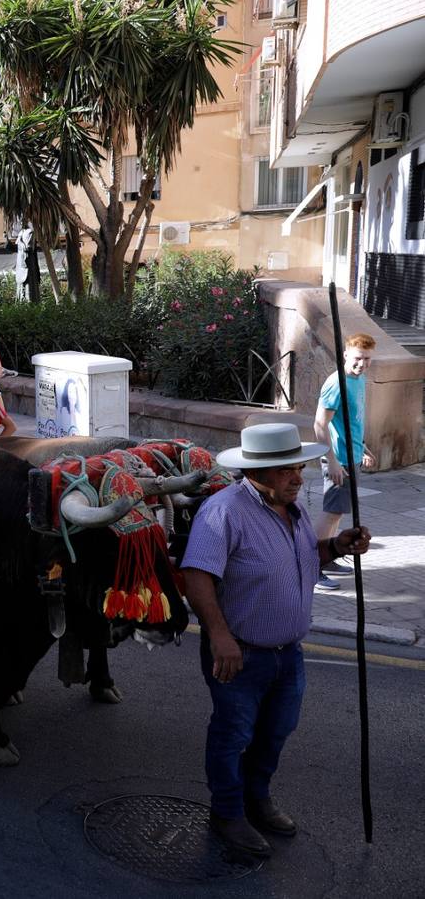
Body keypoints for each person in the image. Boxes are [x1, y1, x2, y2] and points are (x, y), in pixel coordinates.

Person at [181, 422, 372, 858]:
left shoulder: (294, 509)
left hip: (289, 654)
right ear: (258, 473)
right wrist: (220, 636)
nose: (298, 477)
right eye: (287, 470)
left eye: (299, 468)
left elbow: (306, 554)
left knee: (275, 732)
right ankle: (227, 813)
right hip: (240, 654)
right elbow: (196, 577)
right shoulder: (223, 511)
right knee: (232, 735)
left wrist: (338, 545)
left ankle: (257, 798)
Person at [312, 333, 376, 591]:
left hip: (351, 456)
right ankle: (312, 566)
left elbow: (352, 422)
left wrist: (364, 448)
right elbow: (319, 424)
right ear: (346, 354)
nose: (362, 364)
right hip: (338, 459)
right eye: (358, 358)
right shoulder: (337, 383)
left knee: (338, 512)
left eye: (367, 359)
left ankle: (328, 558)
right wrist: (333, 461)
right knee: (331, 512)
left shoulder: (359, 380)